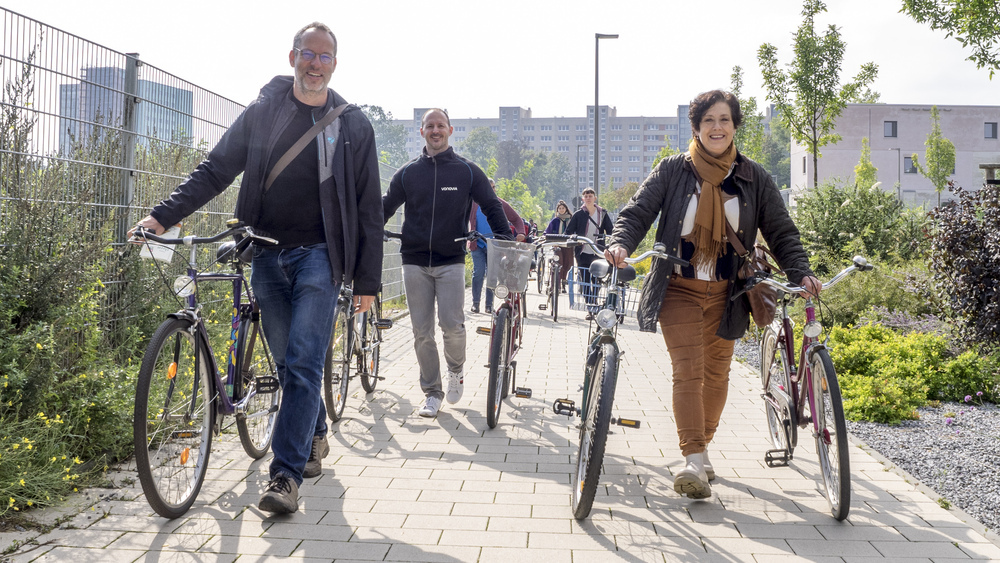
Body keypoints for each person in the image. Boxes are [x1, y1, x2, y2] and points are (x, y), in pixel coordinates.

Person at [128, 23, 383, 515]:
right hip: (265, 252)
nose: (315, 63)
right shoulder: (264, 112)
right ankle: (315, 433)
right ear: (292, 57)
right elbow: (216, 169)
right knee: (289, 363)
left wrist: (367, 281)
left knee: (305, 362)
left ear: (335, 64)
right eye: (308, 54)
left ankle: (284, 477)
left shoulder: (352, 126)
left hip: (322, 258)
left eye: (325, 56)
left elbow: (367, 205)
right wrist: (162, 216)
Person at [604, 90, 821, 500]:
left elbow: (781, 231)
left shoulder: (754, 177)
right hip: (679, 287)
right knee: (689, 370)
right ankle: (692, 458)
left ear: (735, 126)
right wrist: (620, 243)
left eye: (724, 119)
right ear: (697, 128)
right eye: (708, 121)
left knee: (717, 374)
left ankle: (701, 451)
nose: (717, 127)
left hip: (730, 292)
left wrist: (802, 272)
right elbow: (637, 212)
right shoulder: (672, 170)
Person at [383, 109, 513, 418]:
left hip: (452, 260)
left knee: (452, 327)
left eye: (440, 125)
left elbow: (493, 207)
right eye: (430, 126)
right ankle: (432, 391)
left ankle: (456, 370)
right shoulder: (407, 173)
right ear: (422, 131)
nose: (435, 130)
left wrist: (506, 243)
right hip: (413, 260)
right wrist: (365, 232)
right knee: (421, 331)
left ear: (450, 130)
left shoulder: (467, 172)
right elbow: (384, 206)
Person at [468, 178, 526, 314]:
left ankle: (489, 305)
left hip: (495, 246)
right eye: (489, 188)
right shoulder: (473, 203)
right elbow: (460, 217)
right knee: (478, 273)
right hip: (478, 243)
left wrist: (521, 232)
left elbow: (516, 219)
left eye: (493, 187)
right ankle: (475, 303)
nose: (491, 190)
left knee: (492, 276)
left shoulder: (499, 203)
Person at [565, 188, 613, 318]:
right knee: (585, 280)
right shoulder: (578, 214)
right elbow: (568, 232)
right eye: (586, 196)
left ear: (595, 198)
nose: (588, 198)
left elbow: (610, 231)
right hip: (583, 252)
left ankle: (595, 303)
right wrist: (575, 239)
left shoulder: (602, 213)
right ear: (582, 199)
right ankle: (590, 308)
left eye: (590, 196)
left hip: (598, 251)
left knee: (597, 279)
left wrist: (610, 244)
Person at [544, 200, 575, 293]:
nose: (561, 210)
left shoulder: (571, 219)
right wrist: (547, 238)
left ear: (566, 209)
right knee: (558, 263)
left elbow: (575, 230)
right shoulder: (555, 220)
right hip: (557, 244)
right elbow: (547, 231)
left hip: (568, 245)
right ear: (557, 210)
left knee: (568, 264)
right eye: (559, 208)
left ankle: (564, 284)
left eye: (563, 208)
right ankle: (555, 285)